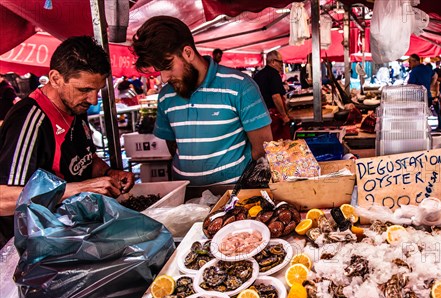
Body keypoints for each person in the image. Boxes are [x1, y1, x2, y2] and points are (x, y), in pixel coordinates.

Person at [0, 36, 135, 247]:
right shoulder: (29, 120)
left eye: (97, 90)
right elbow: (3, 198)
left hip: (73, 234)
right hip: (33, 248)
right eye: (85, 90)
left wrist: (108, 174)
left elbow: (84, 159)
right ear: (55, 78)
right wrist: (79, 188)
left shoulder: (74, 106)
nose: (92, 100)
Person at [131, 16, 273, 186]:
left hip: (235, 197)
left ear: (188, 53)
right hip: (186, 200)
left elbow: (262, 147)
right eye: (159, 70)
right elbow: (173, 145)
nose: (163, 78)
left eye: (168, 67)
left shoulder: (240, 86)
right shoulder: (166, 96)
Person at [254, 50, 291, 140]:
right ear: (273, 62)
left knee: (268, 143)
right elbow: (276, 96)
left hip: (261, 115)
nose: (282, 65)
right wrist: (284, 115)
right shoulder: (274, 74)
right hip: (273, 115)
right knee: (281, 142)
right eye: (280, 62)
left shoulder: (258, 75)